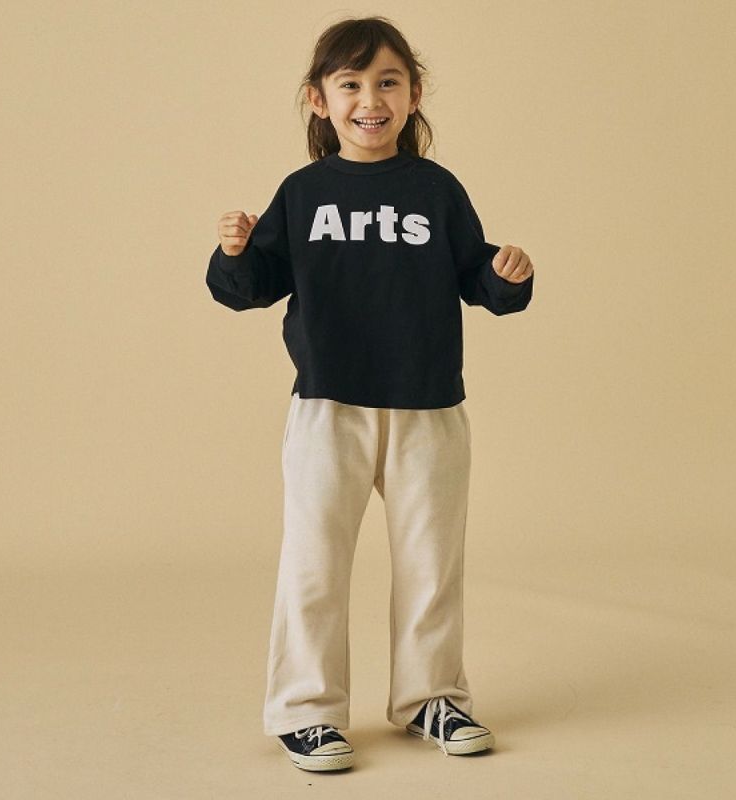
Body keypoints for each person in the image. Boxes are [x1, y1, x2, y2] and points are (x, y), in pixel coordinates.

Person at [205, 15, 535, 772]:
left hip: (429, 406)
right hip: (329, 406)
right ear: (319, 100)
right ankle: (307, 711)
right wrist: (232, 251)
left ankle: (432, 699)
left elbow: (475, 276)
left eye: (388, 82)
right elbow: (251, 286)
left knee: (431, 562)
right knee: (315, 563)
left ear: (414, 94)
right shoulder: (304, 193)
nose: (370, 99)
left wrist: (506, 277)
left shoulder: (436, 190)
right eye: (350, 84)